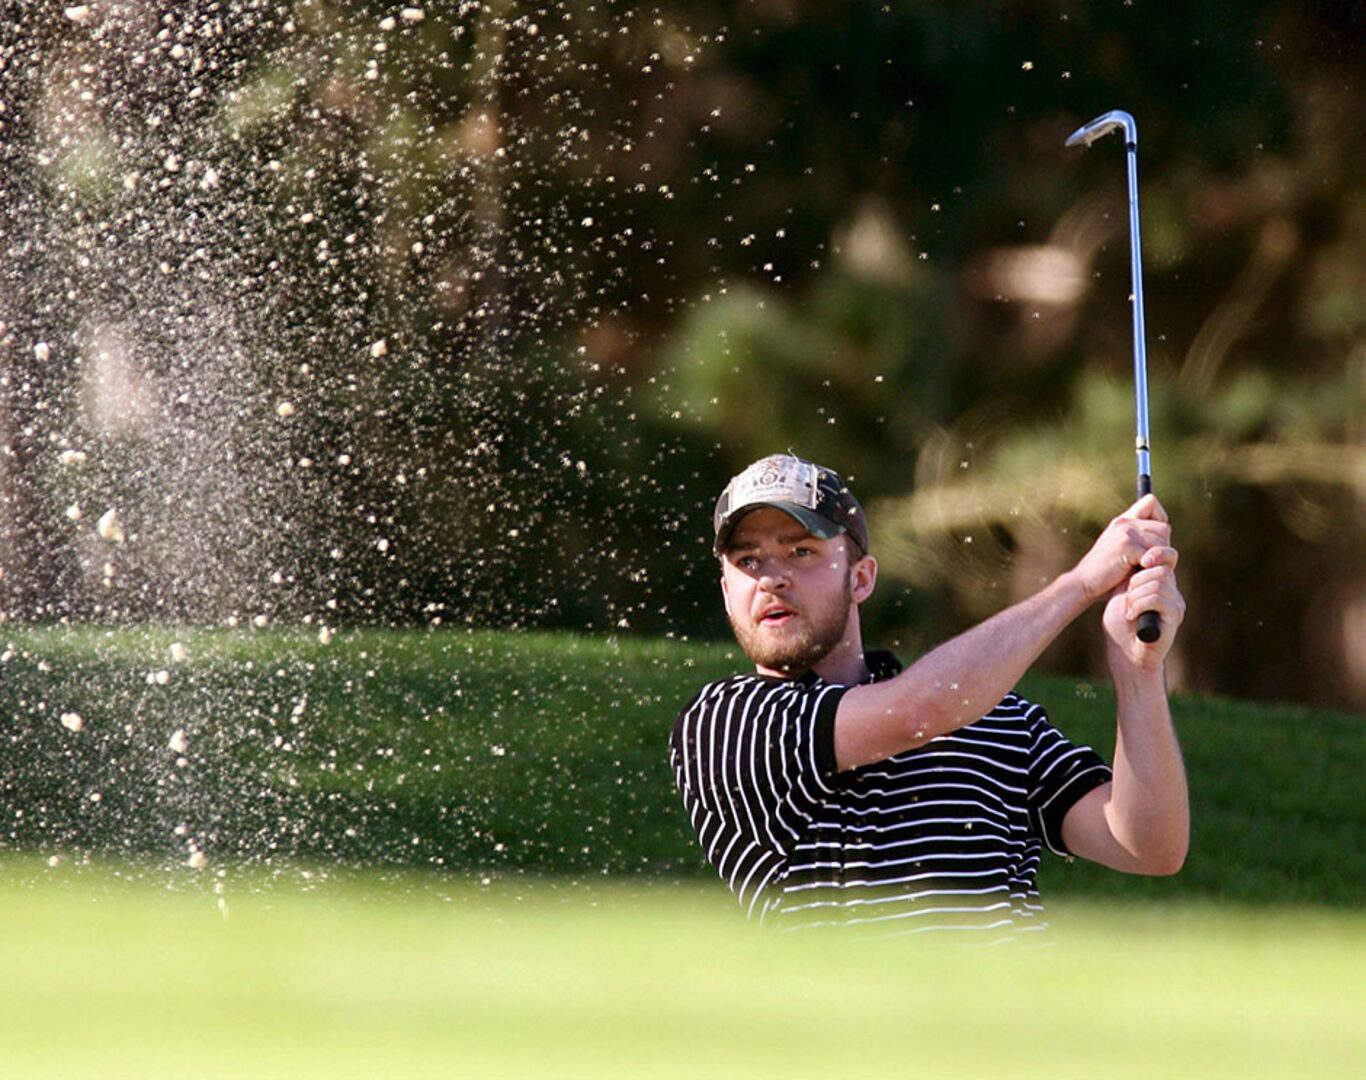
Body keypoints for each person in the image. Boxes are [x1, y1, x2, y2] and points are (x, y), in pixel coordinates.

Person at [669, 452, 1188, 940]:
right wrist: (1081, 584)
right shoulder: (722, 723)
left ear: (860, 579)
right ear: (727, 593)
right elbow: (919, 711)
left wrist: (1139, 670)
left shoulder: (997, 715)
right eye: (748, 560)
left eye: (801, 551)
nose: (771, 579)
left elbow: (1147, 846)